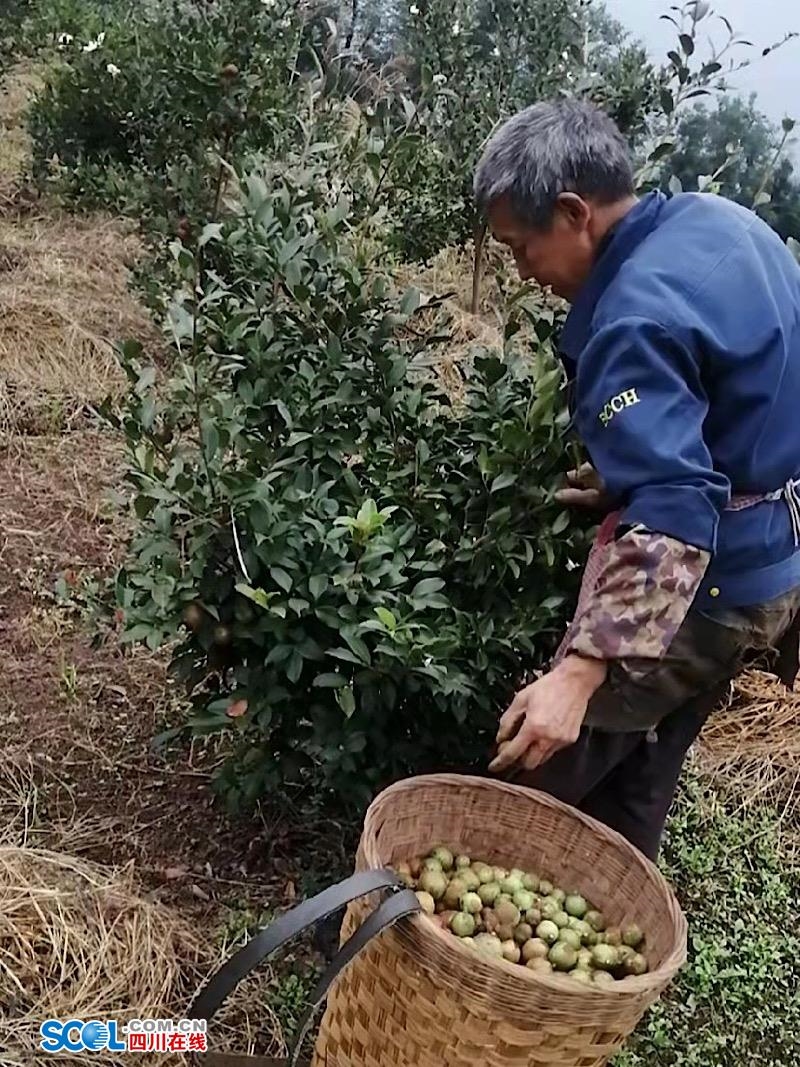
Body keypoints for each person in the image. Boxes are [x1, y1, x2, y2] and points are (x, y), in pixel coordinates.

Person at [474, 99, 800, 861]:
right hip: (774, 561)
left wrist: (582, 671)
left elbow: (681, 508)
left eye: (522, 248)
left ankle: (449, 939)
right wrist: (635, 469)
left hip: (713, 585)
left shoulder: (629, 317)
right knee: (646, 767)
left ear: (572, 211)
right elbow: (745, 382)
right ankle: (612, 913)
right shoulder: (715, 220)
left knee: (544, 764)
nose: (524, 273)